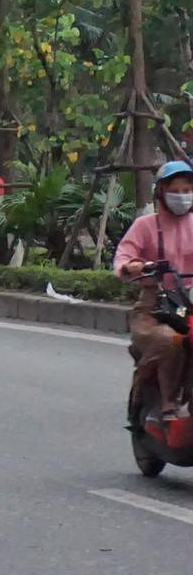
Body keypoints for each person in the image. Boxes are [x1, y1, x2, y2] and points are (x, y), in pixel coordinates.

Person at [114, 160, 193, 420]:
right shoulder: (145, 225)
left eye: (187, 191)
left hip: (189, 304)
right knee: (170, 340)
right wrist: (135, 266)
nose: (182, 197)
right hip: (155, 307)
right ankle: (167, 402)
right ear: (161, 192)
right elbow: (124, 258)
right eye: (176, 191)